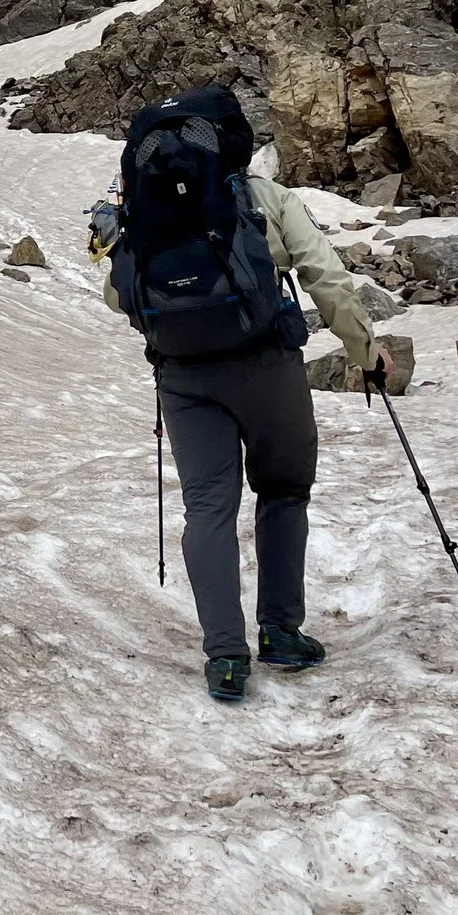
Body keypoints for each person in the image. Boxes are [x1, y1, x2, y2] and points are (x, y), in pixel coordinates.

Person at [89, 85, 384, 706]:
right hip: (266, 366)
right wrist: (367, 352)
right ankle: (280, 631)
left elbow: (122, 299)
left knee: (208, 509)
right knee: (282, 490)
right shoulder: (262, 197)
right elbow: (323, 275)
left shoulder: (143, 211)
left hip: (184, 376)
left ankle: (225, 656)